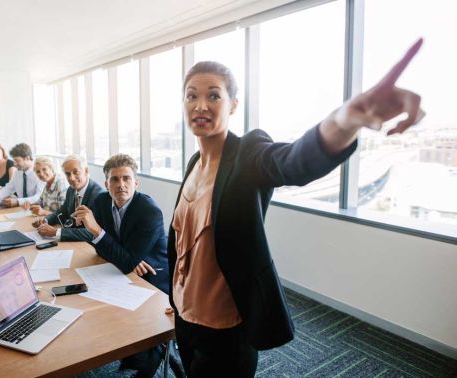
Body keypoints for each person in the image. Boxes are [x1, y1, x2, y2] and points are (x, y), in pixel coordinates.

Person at [168, 39, 425, 377]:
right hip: (185, 315)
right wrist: (173, 299)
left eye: (213, 95)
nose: (201, 104)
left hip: (225, 324)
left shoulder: (248, 153)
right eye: (192, 95)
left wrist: (347, 120)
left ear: (232, 105)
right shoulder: (192, 164)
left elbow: (293, 162)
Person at [72, 153, 169, 378]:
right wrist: (126, 256)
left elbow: (123, 259)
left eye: (126, 178)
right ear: (106, 184)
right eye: (114, 179)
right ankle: (129, 352)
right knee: (85, 298)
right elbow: (104, 250)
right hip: (123, 270)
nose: (121, 184)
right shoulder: (101, 203)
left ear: (136, 182)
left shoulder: (149, 211)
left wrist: (98, 231)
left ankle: (151, 353)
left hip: (153, 277)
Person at [34, 155, 105, 241]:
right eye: (67, 174)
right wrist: (46, 220)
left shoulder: (99, 196)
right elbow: (61, 212)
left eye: (76, 172)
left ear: (86, 171)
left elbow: (94, 232)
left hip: (89, 246)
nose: (71, 178)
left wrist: (56, 232)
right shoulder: (71, 190)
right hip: (74, 242)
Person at [0, 143, 45, 208]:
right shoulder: (18, 173)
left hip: (37, 209)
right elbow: (8, 189)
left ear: (27, 158)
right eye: (14, 161)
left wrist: (18, 201)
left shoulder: (40, 172)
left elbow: (39, 197)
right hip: (21, 209)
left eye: (17, 161)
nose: (14, 164)